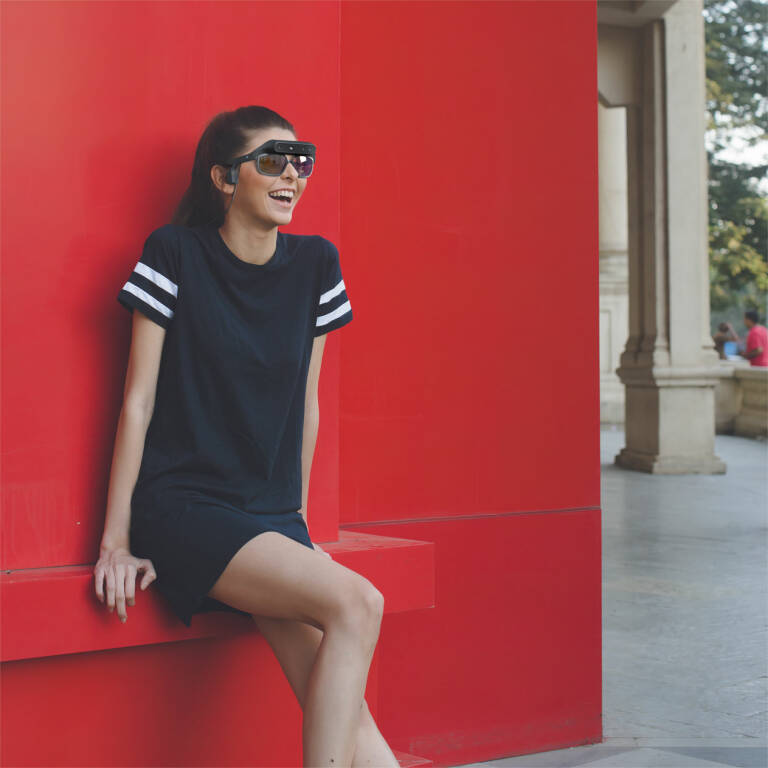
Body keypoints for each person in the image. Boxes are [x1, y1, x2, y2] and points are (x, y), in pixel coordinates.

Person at [93, 106, 398, 767]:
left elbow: (306, 405)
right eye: (271, 160)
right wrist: (116, 540)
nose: (292, 172)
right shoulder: (173, 253)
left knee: (355, 726)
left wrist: (299, 527)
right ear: (224, 180)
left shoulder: (317, 264)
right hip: (185, 508)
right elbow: (137, 403)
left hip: (270, 517)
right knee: (359, 602)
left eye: (301, 158)